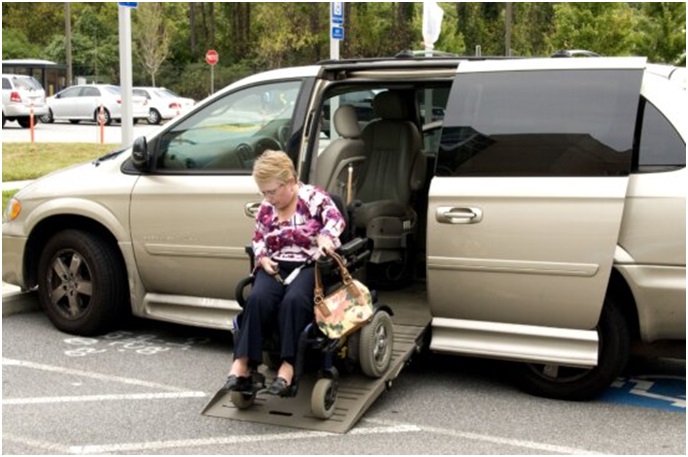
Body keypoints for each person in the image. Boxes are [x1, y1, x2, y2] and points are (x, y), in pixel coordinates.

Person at [224, 149, 346, 396]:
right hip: (276, 264)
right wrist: (263, 257)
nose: (268, 198)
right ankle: (243, 364)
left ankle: (288, 366)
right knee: (257, 299)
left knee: (294, 301)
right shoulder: (267, 208)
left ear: (290, 182)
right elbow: (258, 237)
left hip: (308, 264)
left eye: (272, 191)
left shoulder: (313, 198)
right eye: (264, 192)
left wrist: (325, 236)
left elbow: (337, 220)